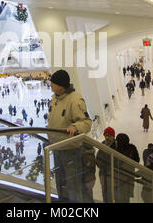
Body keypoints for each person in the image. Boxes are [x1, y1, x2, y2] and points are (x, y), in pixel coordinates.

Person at [47, 69, 92, 202]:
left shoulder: (75, 100)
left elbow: (87, 122)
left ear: (61, 85)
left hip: (70, 150)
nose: (50, 85)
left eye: (53, 83)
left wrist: (74, 127)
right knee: (60, 184)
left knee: (73, 185)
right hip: (56, 148)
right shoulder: (55, 98)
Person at [114, 133, 140, 203]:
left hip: (118, 179)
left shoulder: (116, 150)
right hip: (129, 177)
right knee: (126, 198)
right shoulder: (132, 148)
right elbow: (137, 160)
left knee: (119, 198)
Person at [96, 127, 116, 203]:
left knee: (113, 193)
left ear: (113, 136)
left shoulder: (116, 146)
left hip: (113, 174)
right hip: (103, 174)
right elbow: (98, 158)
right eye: (106, 135)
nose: (107, 137)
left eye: (109, 135)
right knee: (105, 192)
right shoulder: (102, 145)